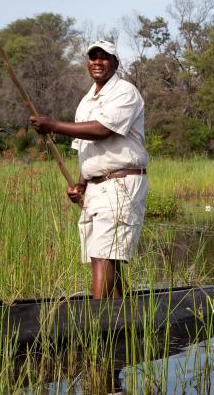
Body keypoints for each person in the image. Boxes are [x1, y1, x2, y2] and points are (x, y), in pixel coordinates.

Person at [29, 39, 148, 299]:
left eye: (104, 57)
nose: (97, 61)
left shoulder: (125, 92)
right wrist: (82, 183)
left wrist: (53, 125)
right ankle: (122, 317)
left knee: (104, 253)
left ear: (116, 63)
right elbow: (87, 148)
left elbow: (102, 131)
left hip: (120, 183)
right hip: (96, 186)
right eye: (93, 57)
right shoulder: (86, 101)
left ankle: (95, 324)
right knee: (102, 253)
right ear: (87, 63)